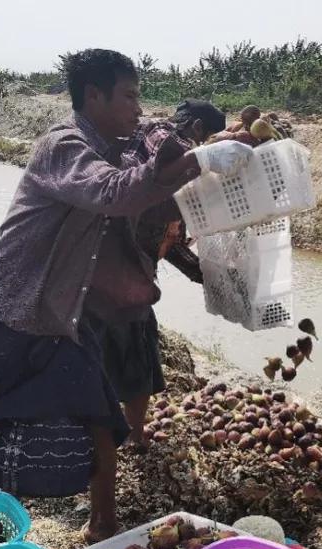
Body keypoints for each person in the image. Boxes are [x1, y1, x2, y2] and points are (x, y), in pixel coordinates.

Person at [0, 49, 252, 543]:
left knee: (100, 417)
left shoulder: (118, 143)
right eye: (129, 96)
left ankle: (103, 528)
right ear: (94, 95)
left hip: (65, 315)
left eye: (138, 96)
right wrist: (201, 159)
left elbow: (149, 169)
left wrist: (209, 154)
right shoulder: (64, 146)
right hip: (17, 305)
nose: (136, 107)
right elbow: (113, 192)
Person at [90, 99, 228, 449]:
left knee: (135, 352)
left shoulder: (177, 191)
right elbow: (168, 147)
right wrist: (212, 154)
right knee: (130, 356)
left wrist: (213, 277)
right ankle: (124, 438)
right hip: (111, 269)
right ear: (196, 128)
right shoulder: (156, 133)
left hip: (131, 276)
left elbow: (173, 245)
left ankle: (120, 433)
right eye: (205, 138)